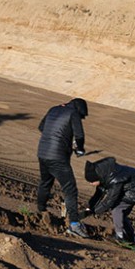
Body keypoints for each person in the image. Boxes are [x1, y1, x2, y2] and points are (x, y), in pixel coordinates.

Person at [36, 97, 90, 238]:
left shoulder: (53, 109)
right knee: (70, 189)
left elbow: (41, 127)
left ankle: (41, 210)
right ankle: (74, 225)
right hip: (58, 157)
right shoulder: (73, 113)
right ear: (79, 109)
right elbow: (79, 135)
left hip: (42, 152)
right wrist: (79, 149)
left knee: (45, 182)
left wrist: (54, 137)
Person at [83, 157, 135, 246]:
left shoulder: (115, 179)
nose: (91, 184)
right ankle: (131, 238)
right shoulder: (106, 175)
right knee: (122, 214)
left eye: (92, 182)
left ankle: (120, 236)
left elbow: (110, 201)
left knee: (117, 209)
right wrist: (89, 207)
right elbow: (98, 194)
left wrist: (94, 211)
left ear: (97, 178)